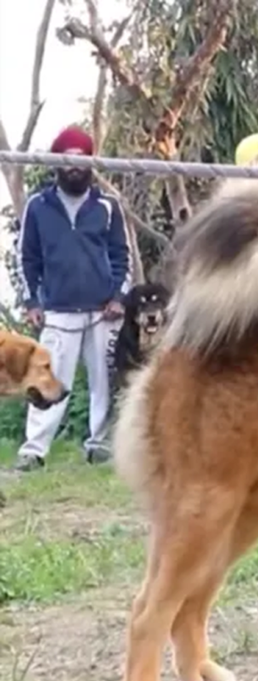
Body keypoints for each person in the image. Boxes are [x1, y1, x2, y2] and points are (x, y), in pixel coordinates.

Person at [13, 125, 131, 471]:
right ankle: (34, 451)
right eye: (68, 159)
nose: (75, 166)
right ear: (56, 163)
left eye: (82, 159)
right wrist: (32, 301)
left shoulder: (108, 206)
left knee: (104, 382)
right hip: (58, 312)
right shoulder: (38, 206)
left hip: (102, 311)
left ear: (91, 164)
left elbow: (121, 255)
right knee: (44, 380)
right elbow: (28, 258)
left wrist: (118, 297)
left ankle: (99, 445)